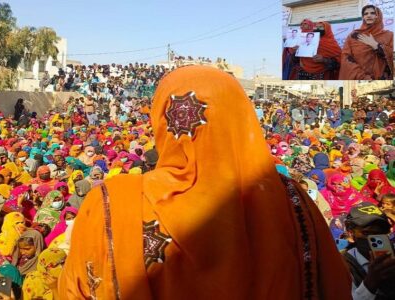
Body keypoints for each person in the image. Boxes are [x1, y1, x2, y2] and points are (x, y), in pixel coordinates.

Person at [59, 66, 350, 299]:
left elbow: (76, 289)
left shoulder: (114, 201)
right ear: (241, 116)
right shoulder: (291, 202)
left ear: (161, 119)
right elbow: (333, 287)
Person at [343, 202, 395, 299]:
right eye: (367, 233)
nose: (374, 237)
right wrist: (370, 283)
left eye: (380, 232)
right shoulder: (342, 264)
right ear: (351, 233)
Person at [339, 5, 393, 80]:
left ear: (378, 16)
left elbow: (392, 57)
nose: (369, 15)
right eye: (366, 14)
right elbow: (346, 58)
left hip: (382, 79)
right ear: (363, 17)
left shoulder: (389, 35)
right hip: (359, 78)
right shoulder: (354, 36)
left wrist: (377, 46)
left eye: (372, 13)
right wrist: (362, 77)